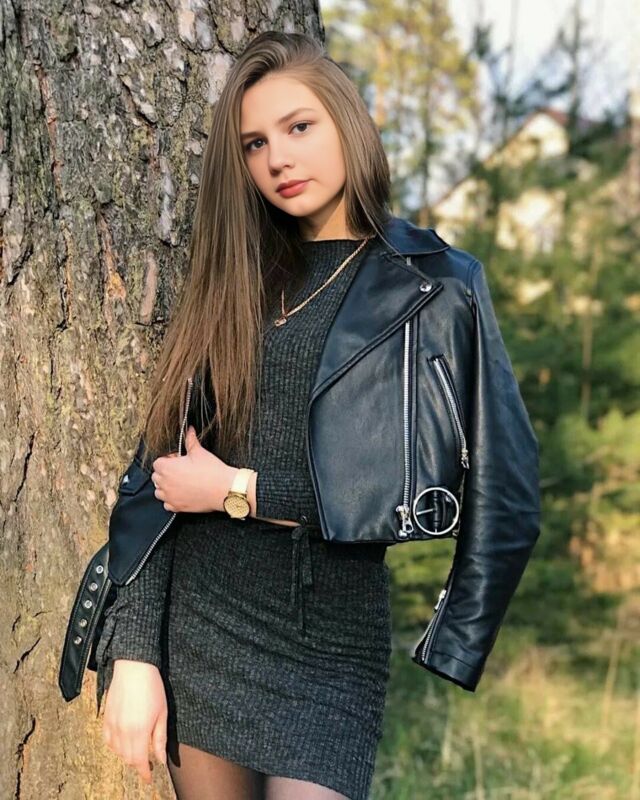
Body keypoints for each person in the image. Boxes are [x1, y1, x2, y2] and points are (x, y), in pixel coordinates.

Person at [95, 29, 540, 800]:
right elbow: (156, 479)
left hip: (334, 648)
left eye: (299, 127)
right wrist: (133, 654)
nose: (278, 158)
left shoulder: (434, 285)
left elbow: (495, 490)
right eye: (255, 143)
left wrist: (237, 490)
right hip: (204, 627)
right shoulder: (236, 277)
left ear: (347, 123)